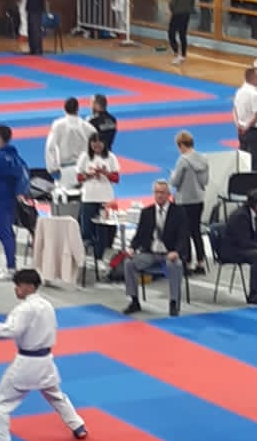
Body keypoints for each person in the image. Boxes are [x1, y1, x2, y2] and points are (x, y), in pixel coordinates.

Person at [0, 268, 87, 441]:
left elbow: (7, 332)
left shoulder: (24, 309)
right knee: (56, 396)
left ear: (29, 286)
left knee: (0, 404)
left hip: (27, 362)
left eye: (18, 286)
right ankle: (78, 426)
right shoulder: (47, 305)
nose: (16, 289)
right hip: (46, 361)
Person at [122, 181, 188, 317]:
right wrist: (132, 248)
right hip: (150, 253)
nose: (159, 195)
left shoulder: (179, 212)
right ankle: (134, 301)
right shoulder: (146, 212)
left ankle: (173, 302)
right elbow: (139, 235)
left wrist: (176, 252)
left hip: (170, 253)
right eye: (156, 192)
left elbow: (183, 237)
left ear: (168, 194)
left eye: (162, 192)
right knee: (129, 263)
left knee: (175, 265)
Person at [218, 189, 257, 305]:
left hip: (243, 246)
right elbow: (244, 241)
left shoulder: (253, 213)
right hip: (232, 250)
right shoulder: (241, 216)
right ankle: (253, 294)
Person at [0, 125, 32, 273]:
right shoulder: (16, 157)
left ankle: (11, 267)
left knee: (4, 233)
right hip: (12, 199)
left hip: (0, 199)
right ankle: (11, 264)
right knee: (8, 232)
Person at [75, 132, 120, 260]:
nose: (97, 145)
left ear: (104, 143)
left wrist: (106, 173)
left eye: (100, 142)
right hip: (89, 197)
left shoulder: (111, 157)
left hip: (106, 198)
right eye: (94, 142)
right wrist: (89, 175)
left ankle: (104, 254)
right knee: (87, 229)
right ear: (90, 144)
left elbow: (116, 178)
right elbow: (79, 177)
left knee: (105, 229)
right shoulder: (84, 157)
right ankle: (88, 255)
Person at [170, 131, 210, 272]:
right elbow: (205, 181)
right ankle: (200, 262)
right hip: (199, 199)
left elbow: (175, 182)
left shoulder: (183, 160)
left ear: (181, 145)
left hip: (184, 201)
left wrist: (172, 175)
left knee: (184, 232)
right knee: (196, 231)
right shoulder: (203, 158)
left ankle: (186, 262)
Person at [233, 63, 257, 179]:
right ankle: (255, 186)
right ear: (253, 78)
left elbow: (234, 110)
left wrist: (238, 124)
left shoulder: (239, 91)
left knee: (243, 158)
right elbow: (256, 115)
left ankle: (241, 182)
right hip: (255, 130)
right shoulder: (255, 94)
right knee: (256, 160)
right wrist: (247, 127)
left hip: (241, 129)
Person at [45, 97, 91, 177]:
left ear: (64, 109)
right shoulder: (88, 127)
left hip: (65, 169)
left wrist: (52, 168)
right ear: (78, 109)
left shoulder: (58, 125)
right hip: (84, 168)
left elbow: (50, 147)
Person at [166, 0, 195, 64]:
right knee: (183, 34)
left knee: (171, 33)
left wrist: (172, 10)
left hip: (177, 14)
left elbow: (172, 2)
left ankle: (176, 52)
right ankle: (183, 54)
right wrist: (189, 10)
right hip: (186, 14)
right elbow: (192, 2)